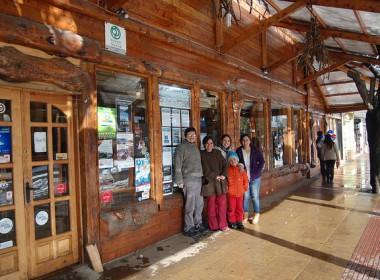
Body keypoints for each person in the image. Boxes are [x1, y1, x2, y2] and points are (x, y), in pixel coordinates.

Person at [174, 127, 205, 237]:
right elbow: (177, 165)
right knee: (190, 205)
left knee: (199, 204)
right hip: (188, 179)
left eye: (194, 134)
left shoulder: (195, 147)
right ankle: (189, 227)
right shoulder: (181, 147)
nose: (192, 136)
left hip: (198, 179)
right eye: (190, 134)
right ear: (185, 136)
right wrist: (179, 180)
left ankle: (198, 223)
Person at [200, 136, 228, 231]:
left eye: (211, 143)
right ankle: (214, 225)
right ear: (204, 144)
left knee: (222, 205)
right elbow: (205, 169)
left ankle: (223, 224)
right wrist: (215, 176)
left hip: (220, 182)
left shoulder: (217, 152)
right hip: (209, 183)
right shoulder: (202, 154)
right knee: (211, 206)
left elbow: (225, 164)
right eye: (207, 143)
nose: (209, 145)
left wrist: (224, 175)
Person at [236, 134, 265, 224]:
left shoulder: (255, 150)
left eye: (247, 140)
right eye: (243, 140)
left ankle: (256, 214)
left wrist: (257, 171)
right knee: (246, 197)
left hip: (255, 177)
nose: (245, 142)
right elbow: (236, 162)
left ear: (250, 141)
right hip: (244, 178)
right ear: (241, 141)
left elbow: (262, 161)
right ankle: (245, 215)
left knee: (255, 196)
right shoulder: (238, 151)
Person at [226, 151, 248, 229]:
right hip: (231, 194)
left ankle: (239, 221)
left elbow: (245, 179)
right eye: (231, 160)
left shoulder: (241, 169)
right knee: (231, 208)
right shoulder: (227, 170)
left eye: (234, 160)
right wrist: (227, 189)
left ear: (237, 160)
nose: (233, 161)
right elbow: (226, 181)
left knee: (239, 208)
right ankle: (232, 221)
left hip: (240, 194)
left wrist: (244, 188)